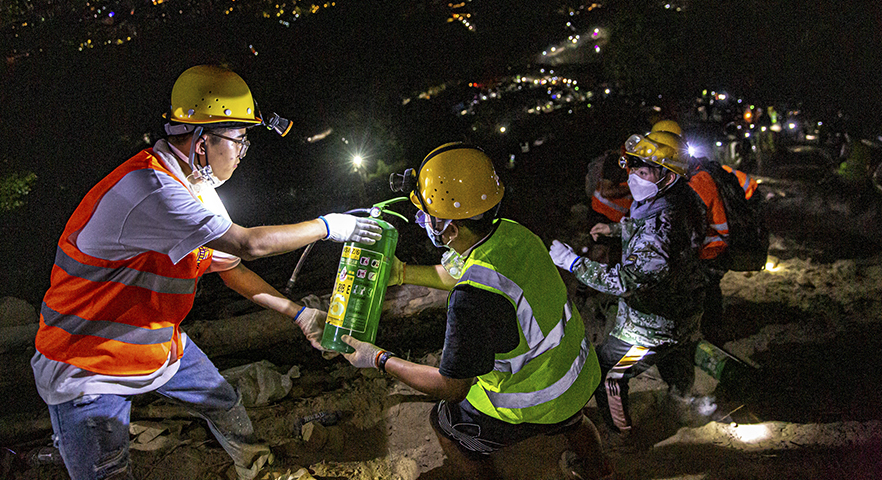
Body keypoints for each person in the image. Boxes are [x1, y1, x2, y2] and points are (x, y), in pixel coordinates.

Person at [31, 65, 382, 480]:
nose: (241, 153)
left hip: (157, 343)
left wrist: (299, 315)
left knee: (224, 401)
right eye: (238, 141)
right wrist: (328, 227)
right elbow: (249, 244)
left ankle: (257, 468)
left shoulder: (196, 189)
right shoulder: (151, 190)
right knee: (107, 471)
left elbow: (232, 269)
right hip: (88, 366)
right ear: (202, 142)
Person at [339, 143, 612, 480]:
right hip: (578, 373)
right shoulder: (515, 233)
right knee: (574, 420)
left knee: (445, 424)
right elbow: (466, 273)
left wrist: (378, 357)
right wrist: (403, 272)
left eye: (428, 215)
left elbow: (451, 387)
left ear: (450, 229)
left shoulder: (472, 300)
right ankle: (599, 471)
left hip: (538, 400)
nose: (422, 219)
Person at [550, 130, 706, 439]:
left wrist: (572, 262)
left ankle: (623, 436)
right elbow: (664, 234)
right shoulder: (685, 200)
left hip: (653, 325)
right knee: (679, 357)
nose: (634, 175)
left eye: (644, 169)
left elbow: (624, 281)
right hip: (686, 306)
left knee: (606, 372)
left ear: (668, 176)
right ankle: (679, 400)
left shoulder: (657, 228)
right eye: (632, 166)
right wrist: (616, 230)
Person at [652, 119, 730, 343]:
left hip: (710, 247)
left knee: (706, 290)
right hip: (703, 246)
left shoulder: (696, 180)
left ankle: (712, 337)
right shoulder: (680, 173)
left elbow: (692, 225)